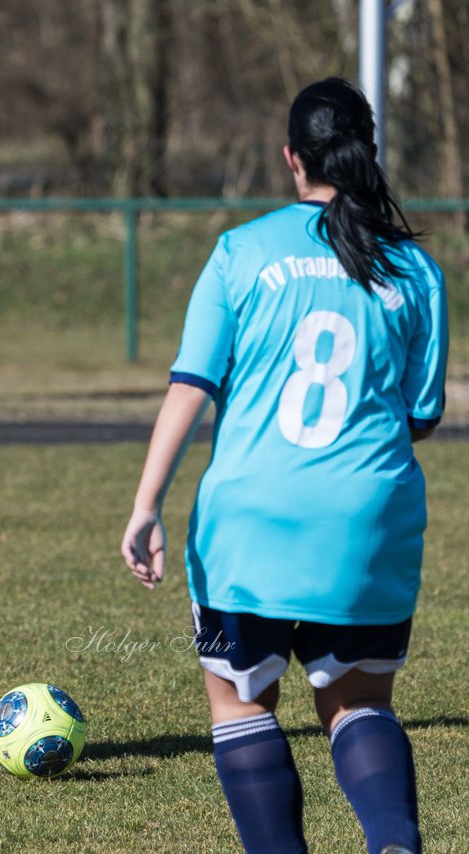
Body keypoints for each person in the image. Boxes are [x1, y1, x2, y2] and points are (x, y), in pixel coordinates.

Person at [121, 78, 445, 854]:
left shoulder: (242, 251)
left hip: (249, 525)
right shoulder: (413, 269)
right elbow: (420, 414)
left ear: (290, 158)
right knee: (359, 702)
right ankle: (394, 842)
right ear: (368, 154)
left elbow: (190, 386)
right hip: (367, 521)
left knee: (242, 705)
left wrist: (145, 504)